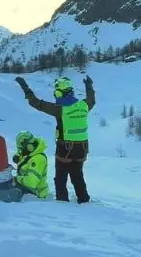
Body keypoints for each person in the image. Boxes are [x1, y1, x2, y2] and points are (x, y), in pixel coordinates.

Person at [15, 74, 94, 203]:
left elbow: (36, 103)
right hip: (82, 148)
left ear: (58, 93)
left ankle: (62, 202)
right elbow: (91, 99)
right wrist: (88, 86)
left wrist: (25, 88)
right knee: (77, 175)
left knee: (61, 178)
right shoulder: (84, 105)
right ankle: (84, 200)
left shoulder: (60, 109)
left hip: (65, 148)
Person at [12, 131, 50, 199]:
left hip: (36, 194)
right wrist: (17, 156)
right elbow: (21, 154)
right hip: (27, 188)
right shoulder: (30, 153)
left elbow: (32, 182)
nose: (21, 150)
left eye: (21, 147)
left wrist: (17, 179)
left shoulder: (38, 159)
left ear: (28, 146)